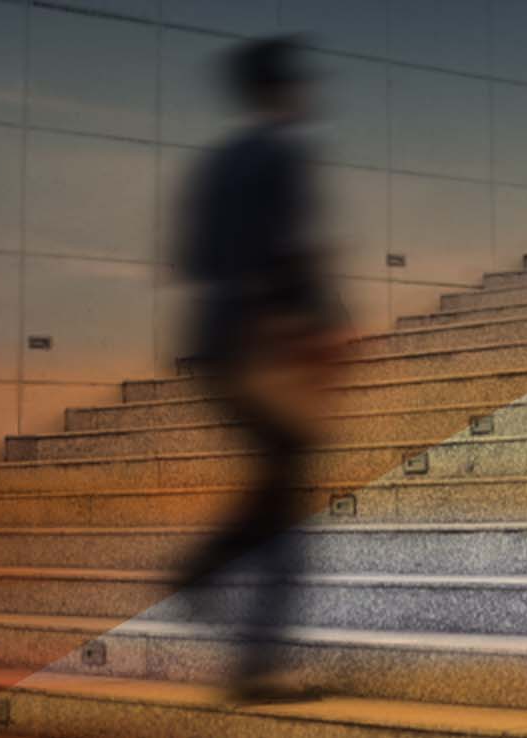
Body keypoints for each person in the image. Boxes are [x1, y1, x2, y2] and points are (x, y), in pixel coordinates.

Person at [170, 36, 351, 704]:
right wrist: (324, 324)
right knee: (287, 498)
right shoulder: (284, 152)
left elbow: (189, 260)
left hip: (212, 342)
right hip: (264, 345)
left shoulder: (214, 165)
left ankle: (203, 570)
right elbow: (292, 249)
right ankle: (253, 662)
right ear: (287, 89)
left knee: (276, 485)